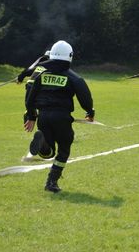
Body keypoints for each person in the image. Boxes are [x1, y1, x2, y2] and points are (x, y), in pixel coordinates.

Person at [24, 40, 95, 193]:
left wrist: (31, 116)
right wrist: (90, 111)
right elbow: (85, 98)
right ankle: (51, 182)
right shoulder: (74, 77)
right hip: (61, 117)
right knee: (64, 148)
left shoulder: (41, 75)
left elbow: (30, 98)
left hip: (43, 116)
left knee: (48, 151)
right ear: (70, 56)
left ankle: (43, 143)